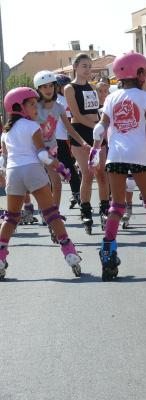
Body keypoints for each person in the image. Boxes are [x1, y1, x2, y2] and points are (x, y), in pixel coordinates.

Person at [90, 52, 146, 281]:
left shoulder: (111, 97)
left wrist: (95, 149)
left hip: (115, 156)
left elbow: (100, 128)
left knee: (116, 206)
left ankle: (108, 249)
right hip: (139, 155)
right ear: (137, 73)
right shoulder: (145, 97)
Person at [0, 87, 82, 280]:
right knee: (51, 214)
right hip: (33, 171)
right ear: (19, 107)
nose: (36, 107)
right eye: (31, 104)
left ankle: (1, 257)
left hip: (14, 173)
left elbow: (4, 157)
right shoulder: (33, 127)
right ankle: (70, 253)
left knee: (11, 218)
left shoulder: (6, 132)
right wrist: (61, 167)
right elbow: (41, 154)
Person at [64, 53, 110, 234]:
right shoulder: (70, 88)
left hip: (97, 133)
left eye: (90, 66)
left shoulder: (92, 88)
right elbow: (76, 115)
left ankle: (105, 209)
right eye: (84, 66)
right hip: (81, 132)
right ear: (75, 67)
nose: (88, 69)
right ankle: (86, 211)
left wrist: (102, 125)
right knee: (88, 175)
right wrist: (96, 126)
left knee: (102, 174)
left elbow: (96, 112)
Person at [34, 71, 90, 218]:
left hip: (51, 150)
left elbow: (69, 128)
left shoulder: (58, 106)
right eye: (44, 86)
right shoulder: (34, 106)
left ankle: (54, 215)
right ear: (38, 89)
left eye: (51, 85)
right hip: (34, 149)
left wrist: (83, 143)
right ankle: (36, 209)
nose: (48, 89)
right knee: (40, 185)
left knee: (57, 183)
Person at [55, 74, 83, 210]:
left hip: (64, 138)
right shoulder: (58, 100)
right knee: (64, 167)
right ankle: (76, 192)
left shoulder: (64, 100)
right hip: (56, 139)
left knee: (69, 166)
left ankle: (77, 192)